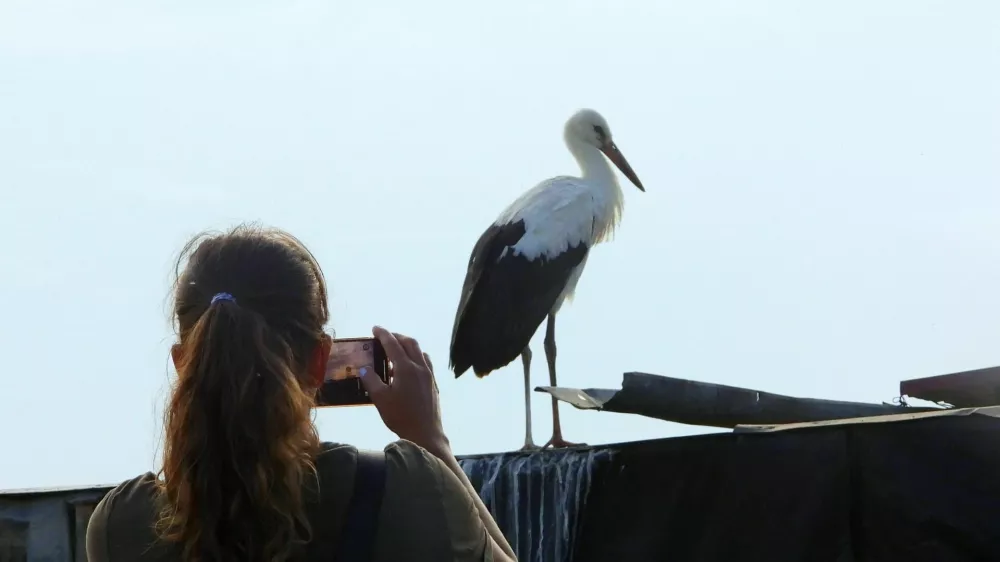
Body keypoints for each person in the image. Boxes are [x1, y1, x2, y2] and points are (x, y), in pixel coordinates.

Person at [85, 224, 517, 562]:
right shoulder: (407, 493)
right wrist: (431, 442)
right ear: (320, 360)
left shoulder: (121, 527)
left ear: (184, 364)